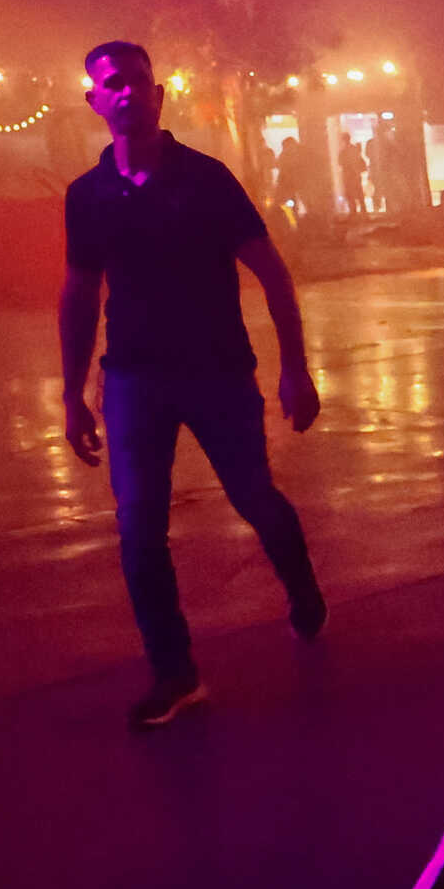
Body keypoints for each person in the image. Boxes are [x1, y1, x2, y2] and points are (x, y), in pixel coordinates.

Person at [58, 41, 327, 730]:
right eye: (110, 85)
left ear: (159, 93)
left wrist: (295, 368)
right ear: (94, 100)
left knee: (253, 497)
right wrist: (72, 393)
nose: (125, 93)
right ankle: (175, 673)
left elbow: (272, 274)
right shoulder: (87, 197)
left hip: (216, 371)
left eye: (136, 82)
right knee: (139, 527)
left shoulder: (205, 180)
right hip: (134, 381)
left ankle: (300, 584)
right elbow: (81, 292)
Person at [337, 132, 368, 217]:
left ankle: (353, 212)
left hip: (349, 175)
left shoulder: (344, 151)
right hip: (356, 175)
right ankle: (363, 212)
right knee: (359, 194)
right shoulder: (354, 149)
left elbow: (340, 162)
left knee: (350, 195)